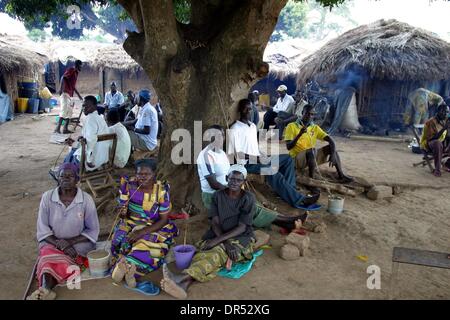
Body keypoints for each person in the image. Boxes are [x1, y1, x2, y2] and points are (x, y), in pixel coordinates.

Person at [160, 165, 256, 299]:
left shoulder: (248, 199)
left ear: (243, 182)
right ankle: (183, 285)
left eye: (239, 180)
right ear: (227, 178)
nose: (234, 182)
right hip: (218, 232)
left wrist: (221, 242)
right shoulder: (218, 196)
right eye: (232, 179)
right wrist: (221, 240)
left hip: (241, 237)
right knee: (204, 250)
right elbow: (215, 222)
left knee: (217, 252)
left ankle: (181, 276)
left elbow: (242, 227)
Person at [197, 125, 309, 229]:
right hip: (213, 195)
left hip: (226, 189)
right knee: (248, 204)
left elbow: (232, 165)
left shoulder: (220, 152)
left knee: (252, 202)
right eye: (216, 136)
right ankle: (286, 221)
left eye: (221, 136)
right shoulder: (205, 156)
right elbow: (213, 183)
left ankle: (285, 220)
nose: (220, 139)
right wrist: (232, 192)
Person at [227, 99, 319, 211]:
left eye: (250, 108)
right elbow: (236, 155)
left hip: (258, 159)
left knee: (287, 158)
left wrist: (262, 155)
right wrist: (257, 158)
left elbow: (253, 146)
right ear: (240, 110)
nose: (248, 111)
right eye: (245, 108)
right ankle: (299, 199)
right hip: (246, 164)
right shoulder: (234, 129)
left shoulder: (252, 126)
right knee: (272, 169)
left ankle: (291, 191)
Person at [27, 163, 99, 300]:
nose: (66, 179)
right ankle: (46, 290)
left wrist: (69, 243)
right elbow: (42, 228)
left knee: (56, 259)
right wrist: (60, 244)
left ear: (77, 179)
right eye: (62, 176)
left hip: (78, 244)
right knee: (48, 256)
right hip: (52, 242)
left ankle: (44, 291)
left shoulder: (86, 200)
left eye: (70, 176)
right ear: (58, 179)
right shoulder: (47, 197)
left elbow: (93, 229)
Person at [110, 159, 178, 287]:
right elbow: (123, 214)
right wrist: (122, 212)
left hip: (153, 226)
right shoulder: (128, 185)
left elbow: (164, 219)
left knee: (146, 245)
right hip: (130, 222)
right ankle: (123, 266)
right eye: (139, 174)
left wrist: (141, 232)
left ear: (154, 175)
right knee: (119, 240)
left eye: (147, 174)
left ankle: (130, 269)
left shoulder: (161, 191)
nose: (142, 177)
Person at [284, 104, 353, 183]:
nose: (309, 116)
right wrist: (299, 134)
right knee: (312, 150)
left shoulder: (315, 127)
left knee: (331, 149)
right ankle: (311, 180)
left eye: (312, 114)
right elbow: (288, 147)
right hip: (296, 160)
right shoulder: (291, 126)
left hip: (311, 158)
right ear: (302, 112)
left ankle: (341, 176)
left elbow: (331, 140)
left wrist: (333, 154)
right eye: (307, 113)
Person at [63, 96, 110, 171]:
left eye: (86, 106)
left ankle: (67, 172)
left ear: (94, 106)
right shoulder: (99, 118)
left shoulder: (91, 119)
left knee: (73, 153)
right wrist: (77, 141)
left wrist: (88, 160)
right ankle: (65, 169)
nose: (83, 108)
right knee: (74, 149)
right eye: (83, 106)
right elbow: (89, 138)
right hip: (103, 157)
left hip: (92, 160)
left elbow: (91, 141)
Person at [123, 89, 159, 153]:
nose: (136, 99)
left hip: (146, 143)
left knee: (123, 134)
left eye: (138, 98)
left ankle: (127, 158)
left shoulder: (147, 111)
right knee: (125, 128)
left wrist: (133, 129)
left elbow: (146, 131)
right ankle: (130, 153)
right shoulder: (145, 108)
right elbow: (135, 121)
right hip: (145, 139)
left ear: (141, 100)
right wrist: (123, 124)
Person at [420, 104, 450, 177]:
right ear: (439, 111)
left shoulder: (444, 121)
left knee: (440, 143)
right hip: (428, 143)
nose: (446, 114)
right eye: (444, 112)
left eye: (447, 112)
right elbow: (432, 138)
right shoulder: (431, 122)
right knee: (437, 143)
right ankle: (437, 170)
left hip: (441, 143)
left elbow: (447, 136)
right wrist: (444, 128)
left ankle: (447, 164)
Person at [55, 60, 83, 134]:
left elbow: (73, 86)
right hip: (65, 93)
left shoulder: (76, 73)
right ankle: (57, 129)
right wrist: (60, 88)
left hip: (70, 94)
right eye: (81, 66)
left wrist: (79, 96)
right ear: (77, 65)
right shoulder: (72, 70)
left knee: (70, 112)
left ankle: (65, 129)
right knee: (64, 110)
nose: (81, 67)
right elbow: (63, 77)